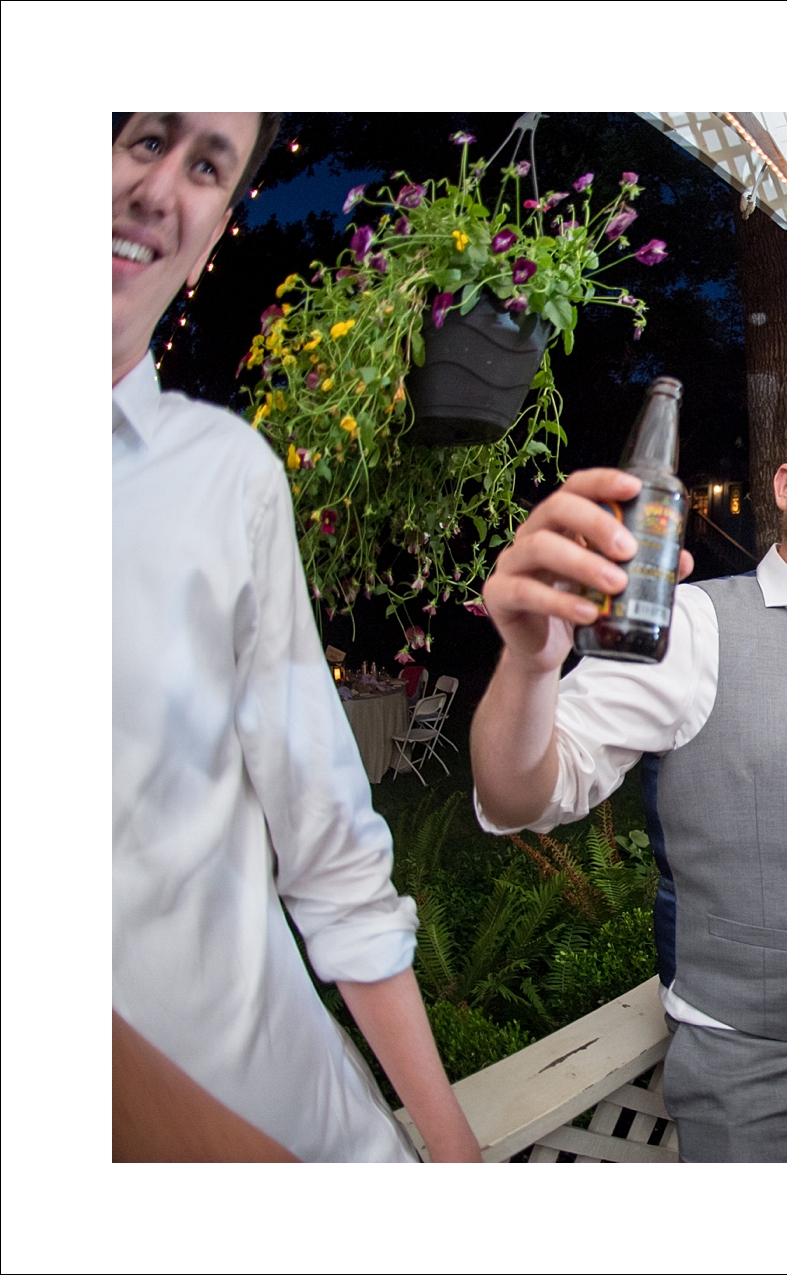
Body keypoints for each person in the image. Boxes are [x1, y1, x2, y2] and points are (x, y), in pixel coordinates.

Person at [112, 112, 480, 1161]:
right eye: (145, 140)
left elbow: (326, 840)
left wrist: (447, 1147)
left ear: (219, 222)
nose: (161, 188)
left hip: (306, 1128)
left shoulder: (223, 475)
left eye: (206, 166)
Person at [469, 384, 787, 1162]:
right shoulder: (692, 626)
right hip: (750, 1071)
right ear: (786, 484)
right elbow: (523, 791)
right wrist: (529, 666)